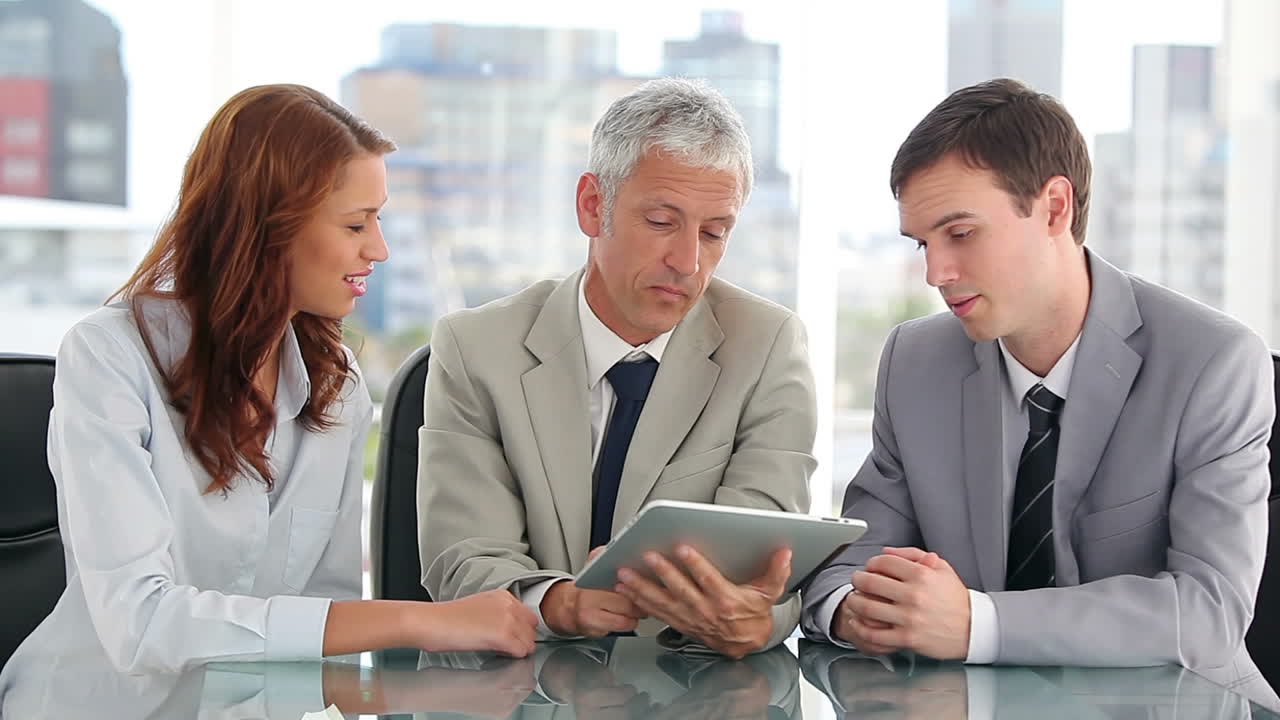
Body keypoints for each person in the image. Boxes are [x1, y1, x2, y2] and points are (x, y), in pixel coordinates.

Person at [0, 84, 537, 711]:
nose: (379, 248)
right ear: (268, 226)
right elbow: (139, 620)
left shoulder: (336, 389)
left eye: (379, 219)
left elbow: (318, 626)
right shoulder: (109, 356)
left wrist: (430, 691)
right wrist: (425, 620)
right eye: (355, 224)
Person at [801, 78, 1276, 701]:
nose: (935, 272)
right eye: (923, 243)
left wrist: (978, 624)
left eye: (961, 234)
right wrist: (849, 608)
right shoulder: (914, 361)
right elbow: (849, 559)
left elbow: (1210, 613)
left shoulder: (1213, 362)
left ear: (1054, 207)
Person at [417, 77, 818, 658]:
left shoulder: (768, 346)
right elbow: (464, 557)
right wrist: (558, 603)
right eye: (661, 222)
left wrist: (757, 617)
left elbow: (769, 562)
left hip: (690, 681)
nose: (687, 262)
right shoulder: (476, 347)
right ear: (591, 205)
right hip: (520, 686)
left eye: (714, 232)